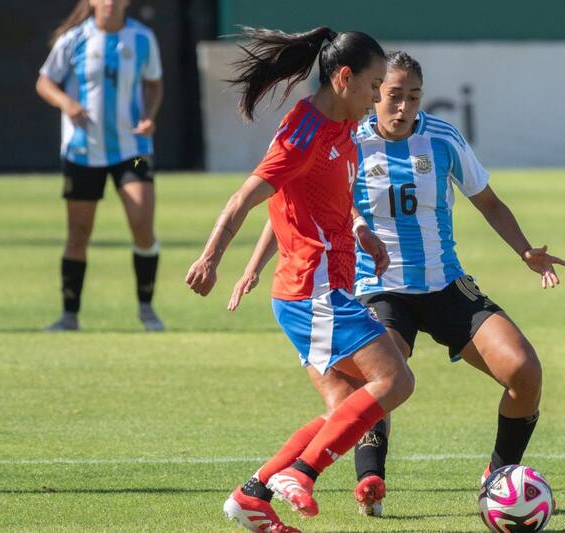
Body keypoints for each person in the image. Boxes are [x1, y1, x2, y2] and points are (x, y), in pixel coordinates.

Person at [229, 51, 565, 518]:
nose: (403, 107)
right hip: (377, 289)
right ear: (373, 92)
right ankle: (370, 477)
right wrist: (254, 264)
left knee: (524, 371)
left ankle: (499, 476)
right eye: (392, 95)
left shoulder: (442, 138)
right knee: (380, 378)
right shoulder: (348, 139)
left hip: (444, 284)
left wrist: (525, 251)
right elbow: (291, 204)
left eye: (413, 97)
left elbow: (488, 202)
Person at [185, 27, 414, 532]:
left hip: (318, 289)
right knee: (396, 381)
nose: (379, 97)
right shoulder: (302, 132)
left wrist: (359, 228)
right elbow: (247, 197)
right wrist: (212, 258)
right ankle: (302, 474)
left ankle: (253, 495)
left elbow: (317, 195)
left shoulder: (343, 126)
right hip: (313, 291)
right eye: (375, 85)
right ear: (345, 77)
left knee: (345, 411)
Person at [36, 0, 164, 332]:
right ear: (92, 2)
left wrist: (150, 115)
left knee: (142, 224)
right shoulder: (74, 38)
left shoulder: (142, 38)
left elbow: (154, 83)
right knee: (78, 233)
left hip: (132, 150)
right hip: (83, 151)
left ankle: (147, 309)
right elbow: (45, 82)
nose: (109, 2)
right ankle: (69, 316)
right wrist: (67, 103)